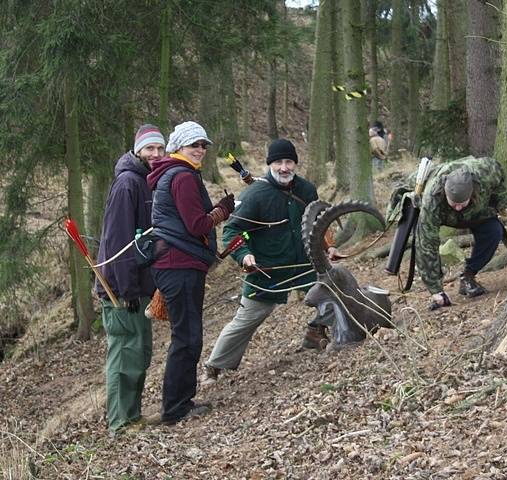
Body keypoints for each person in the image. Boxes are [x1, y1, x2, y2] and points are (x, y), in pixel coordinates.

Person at [203, 138, 338, 380]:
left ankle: (315, 331)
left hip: (305, 264)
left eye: (289, 162)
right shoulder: (255, 194)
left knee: (332, 292)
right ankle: (215, 367)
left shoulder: (306, 190)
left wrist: (330, 246)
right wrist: (244, 256)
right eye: (278, 162)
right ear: (270, 164)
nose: (284, 168)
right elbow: (232, 231)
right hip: (266, 271)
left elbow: (320, 220)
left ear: (295, 164)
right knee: (246, 320)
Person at [146, 121, 235, 425]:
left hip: (179, 264)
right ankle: (175, 409)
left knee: (186, 335)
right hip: (178, 265)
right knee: (187, 338)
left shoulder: (175, 173)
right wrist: (224, 209)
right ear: (178, 147)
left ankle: (179, 403)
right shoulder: (182, 176)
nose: (199, 150)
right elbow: (197, 225)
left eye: (203, 145)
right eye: (193, 144)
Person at [96, 123, 165, 436]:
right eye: (149, 149)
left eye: (159, 148)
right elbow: (119, 241)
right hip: (121, 290)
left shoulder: (148, 181)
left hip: (139, 287)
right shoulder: (127, 183)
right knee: (125, 355)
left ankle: (132, 416)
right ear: (138, 150)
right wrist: (125, 289)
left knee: (139, 352)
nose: (155, 154)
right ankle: (120, 423)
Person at [416, 156, 507, 310]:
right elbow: (426, 245)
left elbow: (499, 181)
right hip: (446, 216)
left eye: (461, 203)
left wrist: (502, 203)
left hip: (477, 212)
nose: (458, 207)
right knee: (427, 239)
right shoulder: (431, 200)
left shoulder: (486, 172)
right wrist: (436, 290)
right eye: (454, 203)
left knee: (494, 230)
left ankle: (468, 275)